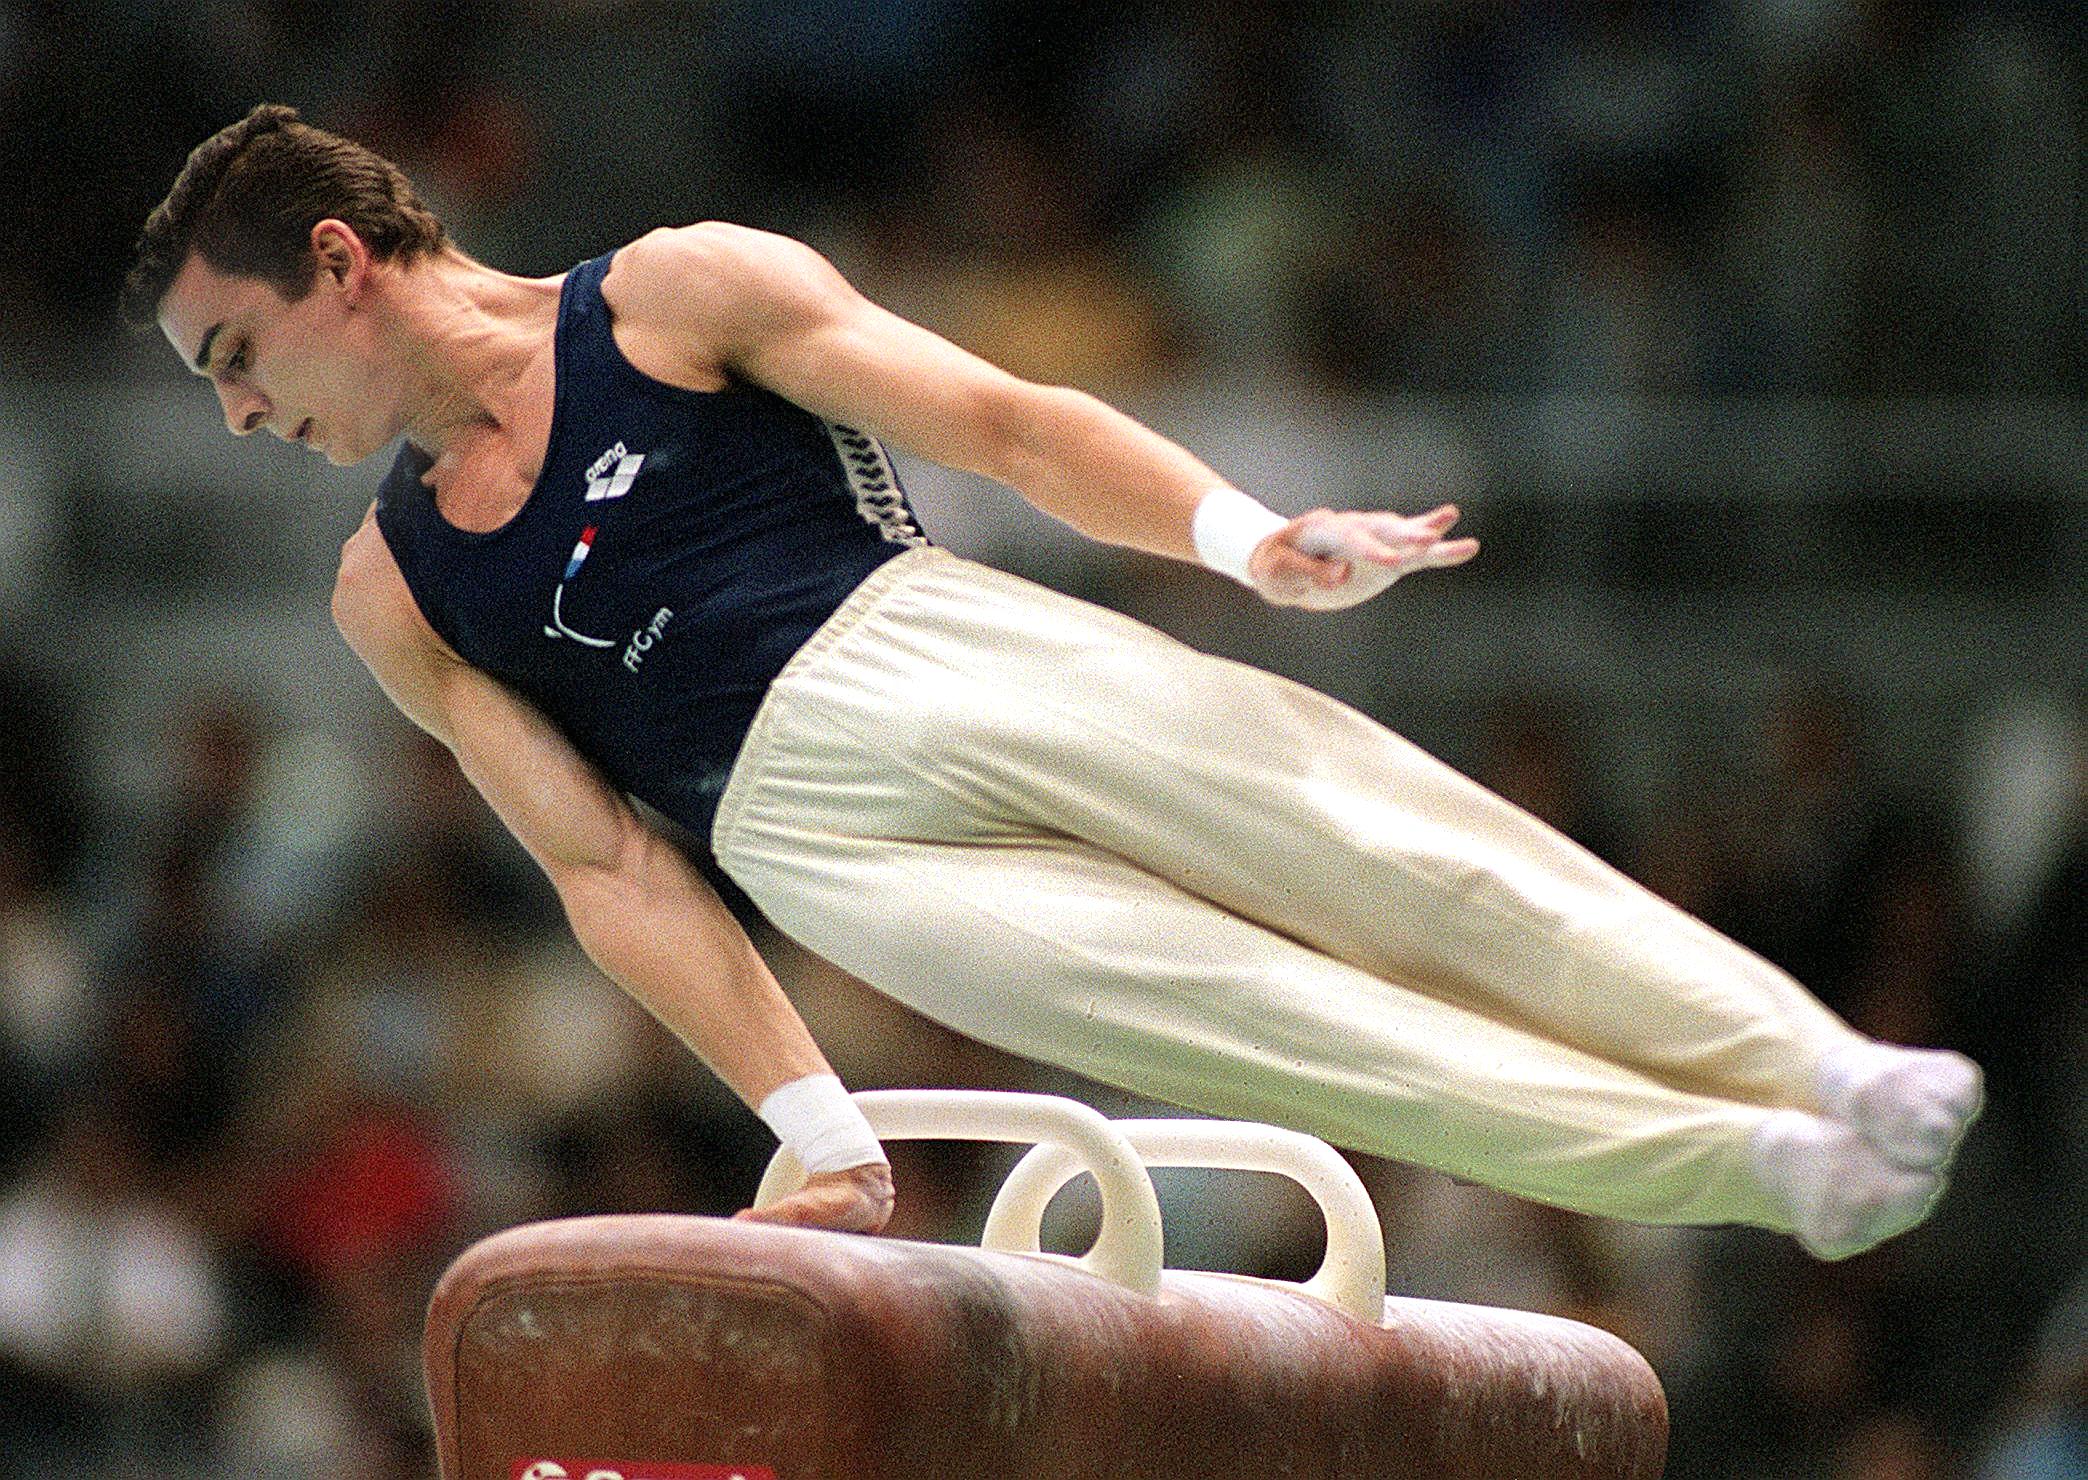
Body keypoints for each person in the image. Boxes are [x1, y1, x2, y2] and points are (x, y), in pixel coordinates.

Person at [125, 105, 1983, 1259]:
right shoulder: (397, 593)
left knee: (1394, 859)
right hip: (829, 868)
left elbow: (1007, 424)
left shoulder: (674, 296)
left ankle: (1829, 1061)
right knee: (1294, 1037)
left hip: (930, 648)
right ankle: (1767, 1168)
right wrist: (817, 1124)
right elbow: (609, 870)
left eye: (235, 350)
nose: (234, 412)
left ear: (339, 261)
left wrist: (1244, 534)